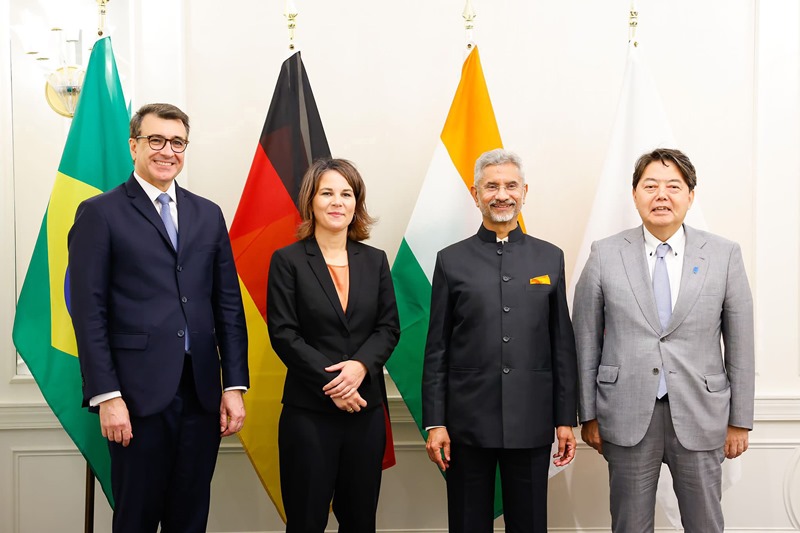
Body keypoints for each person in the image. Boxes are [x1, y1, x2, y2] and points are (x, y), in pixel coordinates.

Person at [68, 103, 249, 533]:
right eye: (156, 140)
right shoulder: (101, 212)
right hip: (134, 396)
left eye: (178, 142)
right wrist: (106, 395)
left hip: (202, 393)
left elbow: (228, 304)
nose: (168, 151)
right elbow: (88, 311)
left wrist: (234, 384)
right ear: (134, 145)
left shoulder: (208, 214)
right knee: (137, 518)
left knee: (190, 518)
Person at [573, 148, 755, 533]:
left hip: (701, 410)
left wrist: (740, 421)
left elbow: (740, 345)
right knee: (630, 525)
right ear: (635, 194)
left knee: (704, 524)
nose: (661, 195)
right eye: (650, 185)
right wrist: (587, 414)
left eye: (673, 186)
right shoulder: (604, 254)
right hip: (625, 413)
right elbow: (585, 339)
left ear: (690, 195)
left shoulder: (724, 255)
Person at [422, 148, 578, 533]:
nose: (502, 194)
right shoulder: (450, 260)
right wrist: (435, 422)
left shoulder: (549, 257)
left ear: (525, 191)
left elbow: (562, 346)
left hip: (532, 420)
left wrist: (564, 419)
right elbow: (437, 348)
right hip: (466, 423)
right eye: (491, 186)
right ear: (476, 195)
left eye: (511, 185)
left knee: (528, 525)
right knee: (467, 523)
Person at [267, 158, 400, 532]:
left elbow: (388, 328)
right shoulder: (287, 260)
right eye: (327, 193)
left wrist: (359, 369)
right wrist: (335, 385)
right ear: (311, 201)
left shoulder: (375, 261)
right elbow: (284, 333)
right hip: (309, 413)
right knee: (306, 520)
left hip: (365, 412)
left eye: (346, 193)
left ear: (357, 203)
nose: (336, 202)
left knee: (360, 521)